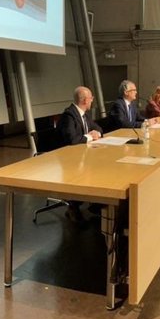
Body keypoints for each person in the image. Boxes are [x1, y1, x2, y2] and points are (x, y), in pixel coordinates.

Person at [55, 86, 104, 223]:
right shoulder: (69, 116)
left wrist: (96, 133)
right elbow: (72, 140)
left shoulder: (84, 114)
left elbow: (98, 128)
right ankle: (73, 207)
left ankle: (97, 203)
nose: (92, 100)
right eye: (91, 98)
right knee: (92, 169)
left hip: (82, 154)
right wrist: (90, 136)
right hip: (68, 159)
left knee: (101, 166)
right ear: (84, 100)